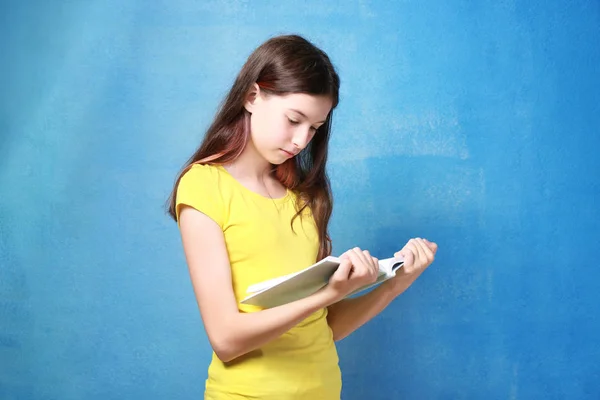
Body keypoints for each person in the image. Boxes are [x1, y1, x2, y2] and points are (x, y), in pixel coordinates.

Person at [167, 34, 438, 400]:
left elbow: (324, 327)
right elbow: (227, 339)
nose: (300, 140)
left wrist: (393, 285)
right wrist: (325, 294)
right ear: (252, 97)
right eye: (294, 119)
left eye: (313, 127)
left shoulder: (305, 196)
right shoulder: (203, 186)